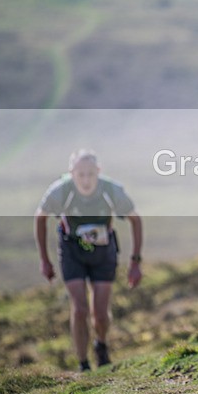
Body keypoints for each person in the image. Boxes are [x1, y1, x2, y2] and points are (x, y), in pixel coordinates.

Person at [34, 149, 143, 371]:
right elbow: (40, 217)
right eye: (80, 174)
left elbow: (135, 220)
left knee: (101, 314)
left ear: (98, 172)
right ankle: (83, 364)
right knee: (80, 308)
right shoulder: (61, 191)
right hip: (72, 250)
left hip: (103, 251)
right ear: (71, 173)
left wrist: (135, 262)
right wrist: (44, 260)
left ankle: (101, 345)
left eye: (90, 174)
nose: (85, 179)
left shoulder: (111, 190)